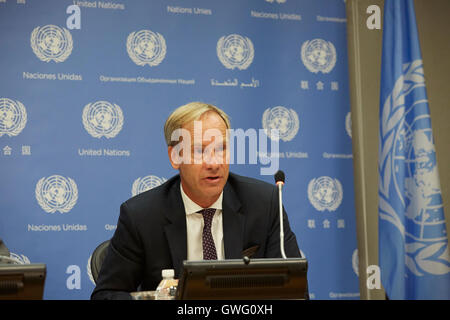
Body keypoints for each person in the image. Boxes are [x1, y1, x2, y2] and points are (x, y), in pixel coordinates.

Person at [91, 102, 301, 300]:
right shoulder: (141, 216)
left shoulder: (265, 203)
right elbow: (106, 295)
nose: (214, 163)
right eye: (200, 151)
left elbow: (294, 291)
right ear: (175, 157)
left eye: (221, 149)